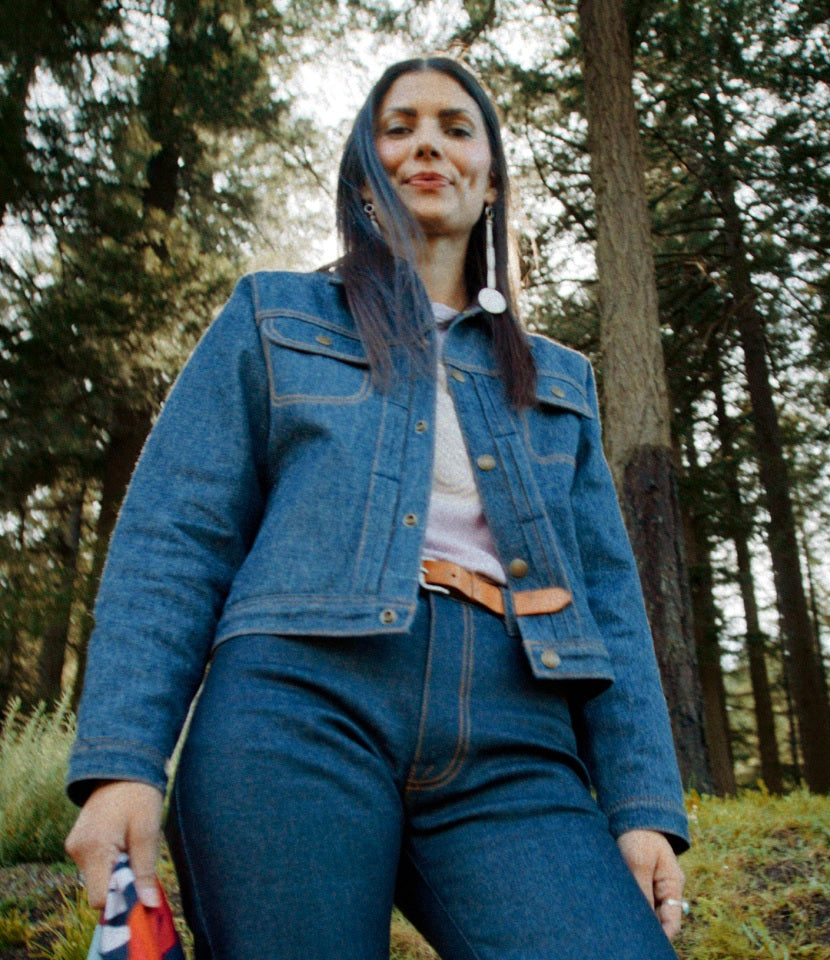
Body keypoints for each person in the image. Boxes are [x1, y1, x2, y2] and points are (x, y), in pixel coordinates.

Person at [65, 56, 690, 960]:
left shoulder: (560, 380)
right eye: (398, 128)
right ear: (365, 176)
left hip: (514, 734)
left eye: (455, 126)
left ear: (491, 182)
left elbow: (612, 604)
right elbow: (175, 537)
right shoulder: (273, 318)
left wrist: (642, 810)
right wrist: (122, 762)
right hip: (296, 709)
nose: (426, 143)